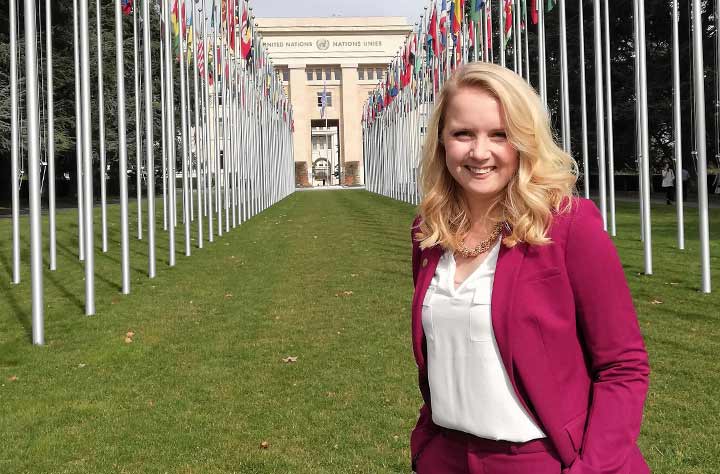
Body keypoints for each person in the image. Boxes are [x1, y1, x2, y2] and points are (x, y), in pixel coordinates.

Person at [409, 63, 650, 474]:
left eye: (499, 135)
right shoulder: (429, 233)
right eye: (463, 133)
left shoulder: (569, 226)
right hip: (447, 457)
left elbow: (623, 367)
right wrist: (427, 448)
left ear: (523, 139)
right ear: (441, 142)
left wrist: (591, 468)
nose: (479, 152)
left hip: (541, 460)